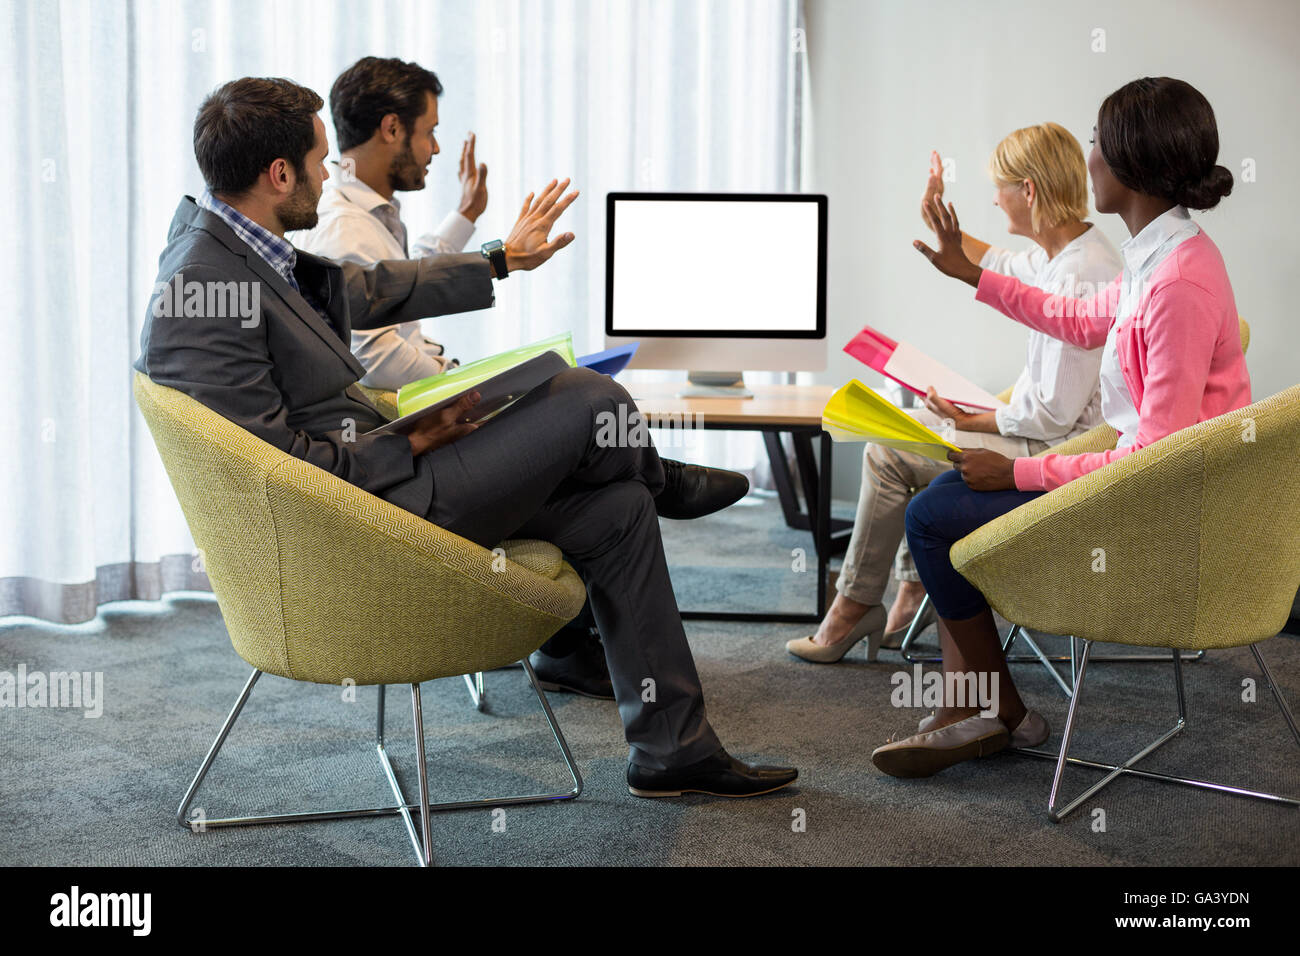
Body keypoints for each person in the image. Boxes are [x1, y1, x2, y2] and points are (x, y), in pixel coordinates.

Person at [135, 76, 795, 798]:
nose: (329, 175)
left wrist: (499, 260)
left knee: (618, 511)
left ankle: (674, 750)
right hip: (364, 517)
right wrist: (412, 442)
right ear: (279, 173)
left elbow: (364, 289)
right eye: (321, 162)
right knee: (586, 394)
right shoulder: (199, 287)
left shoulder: (243, 249)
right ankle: (669, 478)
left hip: (383, 472)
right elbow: (275, 469)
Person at [869, 77, 1251, 778]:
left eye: (1098, 143)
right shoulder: (1158, 257)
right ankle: (984, 707)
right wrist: (968, 273)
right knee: (941, 509)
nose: (1089, 161)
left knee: (931, 517)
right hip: (1140, 485)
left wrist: (1017, 470)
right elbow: (1077, 318)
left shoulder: (1177, 283)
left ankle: (995, 709)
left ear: (1132, 161)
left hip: (1156, 513)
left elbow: (1152, 462)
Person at [293, 55, 613, 700]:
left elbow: (399, 285)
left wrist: (465, 217)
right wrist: (461, 383)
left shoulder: (369, 215)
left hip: (415, 414)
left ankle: (567, 637)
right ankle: (564, 637)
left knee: (579, 420)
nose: (437, 147)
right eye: (429, 131)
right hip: (404, 429)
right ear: (391, 129)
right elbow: (373, 351)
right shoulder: (345, 224)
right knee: (578, 422)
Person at [787, 123, 1122, 664]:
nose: (994, 198)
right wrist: (941, 223)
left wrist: (972, 421)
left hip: (1058, 455)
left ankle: (858, 604)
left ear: (1029, 191)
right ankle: (902, 591)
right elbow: (998, 264)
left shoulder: (1082, 273)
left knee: (888, 452)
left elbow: (1052, 416)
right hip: (1044, 433)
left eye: (1000, 186)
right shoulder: (1068, 253)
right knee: (908, 430)